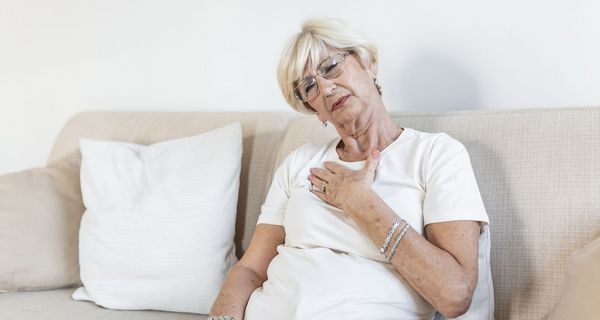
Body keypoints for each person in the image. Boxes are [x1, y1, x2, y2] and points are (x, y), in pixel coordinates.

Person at [208, 18, 493, 320]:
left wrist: (358, 200)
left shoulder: (436, 154)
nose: (327, 88)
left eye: (331, 67)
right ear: (313, 110)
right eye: (310, 86)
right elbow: (250, 269)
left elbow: (454, 294)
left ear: (369, 63)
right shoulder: (298, 163)